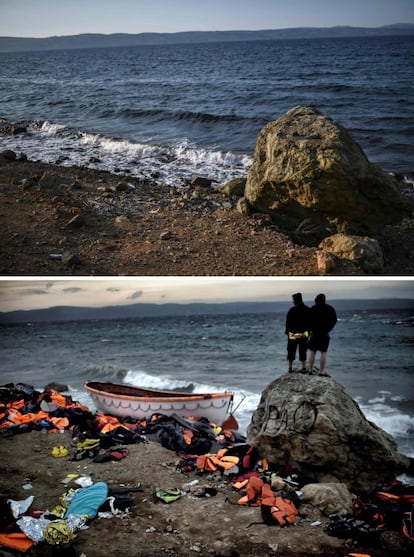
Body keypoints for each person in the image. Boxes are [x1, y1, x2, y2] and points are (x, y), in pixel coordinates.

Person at [307, 293, 337, 376]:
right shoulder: (330, 309)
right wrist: (328, 329)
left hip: (315, 333)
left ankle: (310, 369)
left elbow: (308, 322)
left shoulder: (312, 309)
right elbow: (334, 320)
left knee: (312, 351)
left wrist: (311, 331)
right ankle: (321, 371)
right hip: (324, 333)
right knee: (323, 352)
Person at [285, 292, 310, 373]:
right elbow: (311, 322)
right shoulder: (307, 309)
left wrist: (287, 332)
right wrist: (309, 332)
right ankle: (303, 368)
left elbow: (287, 323)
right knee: (303, 350)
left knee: (291, 351)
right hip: (303, 334)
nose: (292, 301)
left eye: (293, 299)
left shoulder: (291, 310)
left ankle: (290, 368)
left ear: (295, 300)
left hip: (293, 334)